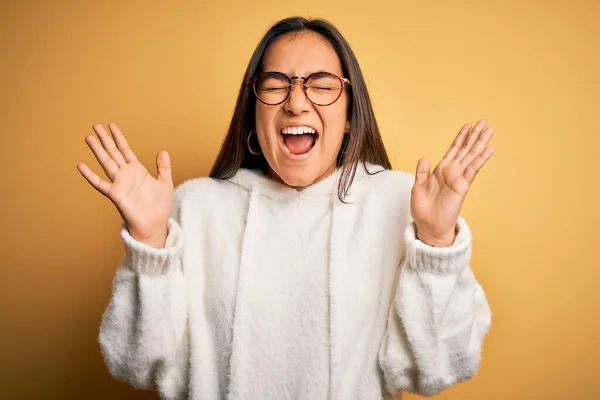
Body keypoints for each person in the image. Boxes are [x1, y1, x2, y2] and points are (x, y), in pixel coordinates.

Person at [77, 16, 495, 400]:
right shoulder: (197, 208)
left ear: (350, 115)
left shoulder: (398, 204)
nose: (296, 102)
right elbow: (135, 365)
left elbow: (439, 369)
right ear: (253, 113)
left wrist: (436, 243)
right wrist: (149, 245)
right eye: (277, 83)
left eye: (322, 83)